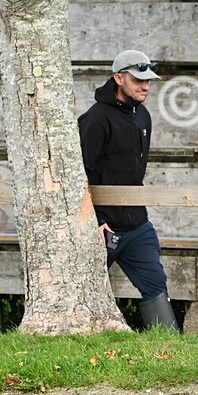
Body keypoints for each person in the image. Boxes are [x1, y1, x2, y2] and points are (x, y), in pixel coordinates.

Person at [78, 49, 178, 332]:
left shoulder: (143, 115)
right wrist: (95, 222)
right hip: (102, 228)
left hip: (137, 226)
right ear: (118, 78)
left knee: (156, 284)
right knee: (82, 288)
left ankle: (169, 350)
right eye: (138, 80)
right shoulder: (96, 120)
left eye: (148, 80)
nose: (145, 85)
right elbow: (80, 174)